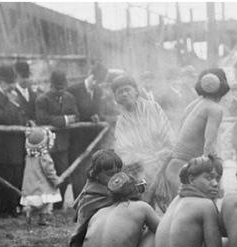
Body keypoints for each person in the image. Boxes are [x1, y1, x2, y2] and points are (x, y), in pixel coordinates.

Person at [155, 68, 230, 212]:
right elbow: (209, 146)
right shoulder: (215, 109)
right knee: (200, 213)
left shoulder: (193, 104)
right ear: (223, 88)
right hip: (187, 171)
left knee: (176, 215)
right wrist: (217, 179)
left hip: (174, 167)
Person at [111, 75, 174, 207]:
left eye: (127, 89)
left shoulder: (153, 108)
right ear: (116, 98)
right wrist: (142, 160)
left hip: (163, 162)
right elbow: (123, 150)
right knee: (144, 205)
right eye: (120, 92)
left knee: (170, 206)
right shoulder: (121, 122)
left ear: (136, 91)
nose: (124, 94)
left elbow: (167, 134)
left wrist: (162, 154)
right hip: (140, 169)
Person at [0, 65, 28, 218]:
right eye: (9, 82)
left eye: (12, 82)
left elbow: (23, 116)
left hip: (16, 146)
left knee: (16, 179)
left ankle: (13, 209)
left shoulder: (15, 95)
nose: (12, 85)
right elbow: (7, 119)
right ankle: (2, 212)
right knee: (4, 182)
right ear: (0, 82)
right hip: (2, 149)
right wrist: (12, 104)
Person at [69, 149, 122, 247]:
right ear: (96, 174)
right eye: (110, 174)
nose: (115, 177)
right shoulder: (91, 196)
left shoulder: (115, 190)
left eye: (118, 173)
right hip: (93, 246)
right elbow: (83, 228)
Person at [35, 70, 79, 210]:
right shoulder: (42, 99)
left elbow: (77, 115)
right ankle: (44, 206)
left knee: (63, 174)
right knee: (45, 174)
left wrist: (62, 119)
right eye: (57, 88)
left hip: (64, 144)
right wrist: (65, 120)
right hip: (46, 144)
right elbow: (42, 118)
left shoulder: (70, 97)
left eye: (62, 88)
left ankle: (59, 204)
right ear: (51, 85)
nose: (60, 91)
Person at [67, 62, 109, 200]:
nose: (96, 84)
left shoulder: (98, 91)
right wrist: (87, 117)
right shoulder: (73, 90)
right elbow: (72, 112)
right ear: (91, 76)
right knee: (78, 169)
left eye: (99, 82)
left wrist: (98, 116)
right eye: (95, 81)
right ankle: (78, 199)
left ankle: (90, 197)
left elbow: (99, 110)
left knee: (92, 168)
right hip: (77, 137)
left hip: (93, 138)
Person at [20, 127, 61, 226]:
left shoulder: (29, 156)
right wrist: (56, 180)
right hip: (42, 187)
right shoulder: (45, 157)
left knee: (36, 202)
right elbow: (49, 172)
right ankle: (36, 213)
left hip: (30, 187)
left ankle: (33, 213)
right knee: (45, 203)